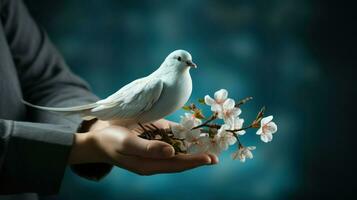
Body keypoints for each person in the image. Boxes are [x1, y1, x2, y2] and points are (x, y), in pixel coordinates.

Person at [0, 0, 218, 199]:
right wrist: (88, 145)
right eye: (181, 59)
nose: (187, 63)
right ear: (172, 60)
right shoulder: (156, 84)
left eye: (188, 60)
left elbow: (46, 79)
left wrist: (91, 126)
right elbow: (126, 108)